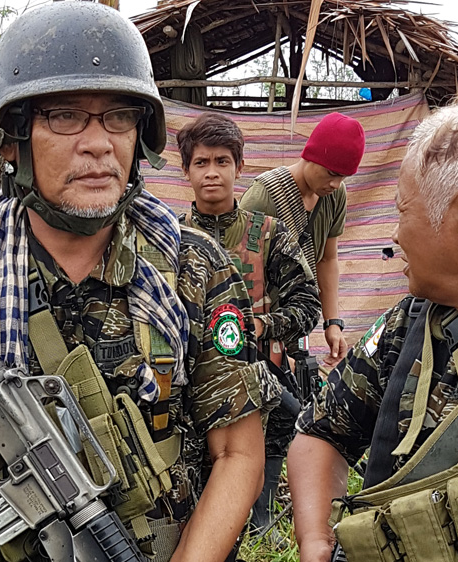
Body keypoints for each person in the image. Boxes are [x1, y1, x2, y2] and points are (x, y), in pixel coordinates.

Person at [0, 3, 275, 562]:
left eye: (118, 117)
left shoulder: (194, 266)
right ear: (12, 140)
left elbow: (238, 453)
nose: (98, 143)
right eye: (64, 116)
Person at [288, 95, 458, 562]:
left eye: (402, 211)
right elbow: (322, 431)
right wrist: (316, 540)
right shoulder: (416, 318)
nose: (395, 235)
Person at [177, 112, 320, 542]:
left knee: (259, 468)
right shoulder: (171, 239)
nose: (212, 173)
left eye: (222, 161)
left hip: (260, 382)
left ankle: (260, 526)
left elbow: (307, 304)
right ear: (186, 171)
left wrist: (261, 325)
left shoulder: (268, 234)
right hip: (190, 391)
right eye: (201, 163)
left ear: (239, 167)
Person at [238, 112, 365, 369]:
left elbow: (328, 259)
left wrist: (332, 323)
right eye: (331, 173)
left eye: (343, 177)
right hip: (259, 327)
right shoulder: (264, 198)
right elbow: (240, 275)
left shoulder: (335, 195)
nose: (335, 183)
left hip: (298, 321)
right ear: (311, 155)